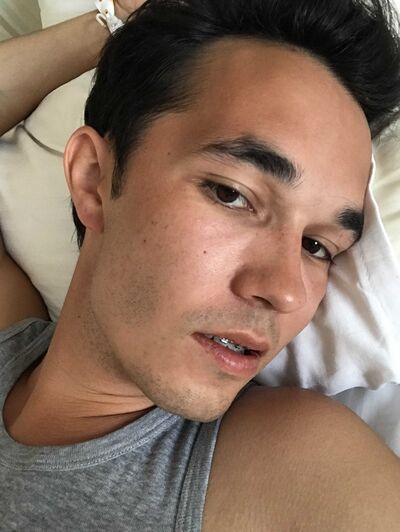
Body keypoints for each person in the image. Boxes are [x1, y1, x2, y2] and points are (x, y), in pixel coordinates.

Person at [1, 0, 400, 530]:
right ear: (93, 179)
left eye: (317, 246)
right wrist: (109, 24)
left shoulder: (302, 471)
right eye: (232, 194)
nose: (285, 291)